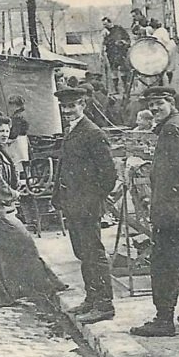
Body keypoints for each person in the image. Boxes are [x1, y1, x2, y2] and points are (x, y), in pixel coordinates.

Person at [131, 86, 179, 337]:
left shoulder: (172, 128)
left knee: (164, 266)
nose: (154, 109)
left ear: (170, 102)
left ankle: (164, 320)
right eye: (151, 105)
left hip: (174, 213)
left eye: (159, 104)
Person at [0, 116, 66, 306]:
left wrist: (16, 187)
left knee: (7, 248)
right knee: (23, 241)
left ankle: (29, 287)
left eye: (6, 131)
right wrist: (16, 194)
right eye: (1, 131)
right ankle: (40, 286)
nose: (5, 134)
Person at [53, 88, 118, 324]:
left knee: (94, 253)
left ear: (83, 104)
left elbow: (109, 174)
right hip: (73, 204)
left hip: (87, 205)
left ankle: (104, 304)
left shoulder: (92, 132)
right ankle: (92, 298)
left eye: (72, 106)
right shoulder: (73, 130)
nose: (67, 111)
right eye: (64, 106)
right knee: (82, 253)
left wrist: (93, 198)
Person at [102, 17, 131, 92]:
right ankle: (116, 89)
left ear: (110, 22)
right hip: (111, 54)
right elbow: (103, 44)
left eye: (105, 24)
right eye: (103, 25)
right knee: (113, 70)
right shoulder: (105, 33)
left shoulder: (119, 29)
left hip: (121, 52)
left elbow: (128, 39)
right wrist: (104, 37)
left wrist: (123, 42)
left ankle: (125, 88)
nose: (104, 26)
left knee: (123, 70)